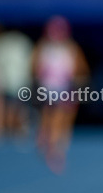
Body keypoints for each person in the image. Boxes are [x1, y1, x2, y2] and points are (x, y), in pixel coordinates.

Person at [31, 17, 89, 173]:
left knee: (61, 118)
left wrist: (76, 80)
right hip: (48, 88)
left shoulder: (71, 49)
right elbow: (35, 68)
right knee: (49, 117)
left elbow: (81, 69)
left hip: (64, 88)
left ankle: (55, 148)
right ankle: (50, 146)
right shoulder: (43, 48)